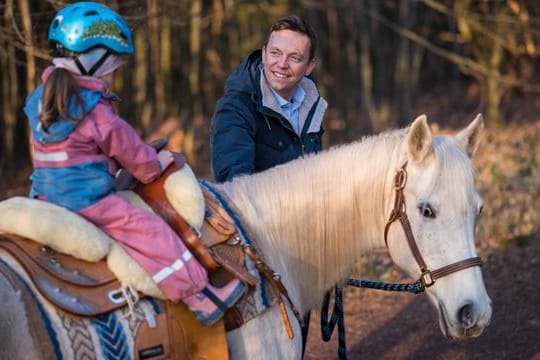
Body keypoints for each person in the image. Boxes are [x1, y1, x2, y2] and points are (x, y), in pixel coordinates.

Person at [25, 1, 244, 326]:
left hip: (44, 194)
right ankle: (197, 295)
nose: (113, 76)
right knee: (150, 230)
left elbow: (69, 154)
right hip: (87, 202)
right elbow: (138, 161)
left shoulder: (40, 100)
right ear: (92, 63)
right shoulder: (96, 111)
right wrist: (157, 162)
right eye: (111, 68)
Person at [210, 14, 328, 182]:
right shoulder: (235, 110)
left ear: (309, 66)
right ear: (264, 54)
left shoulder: (311, 107)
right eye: (275, 53)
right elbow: (235, 188)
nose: (282, 64)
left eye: (294, 57)